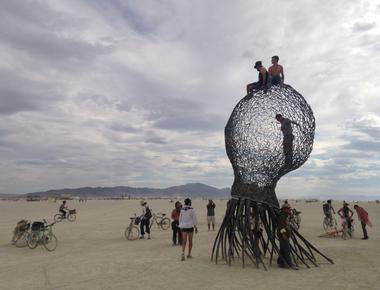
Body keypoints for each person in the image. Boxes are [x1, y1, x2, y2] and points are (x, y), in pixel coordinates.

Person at [277, 204, 298, 270]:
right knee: (286, 249)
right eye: (288, 209)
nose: (289, 210)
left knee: (283, 249)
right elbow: (281, 226)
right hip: (283, 236)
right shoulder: (282, 216)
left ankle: (280, 262)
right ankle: (289, 264)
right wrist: (284, 234)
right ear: (284, 209)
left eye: (289, 209)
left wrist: (290, 215)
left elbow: (290, 221)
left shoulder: (285, 216)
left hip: (285, 235)